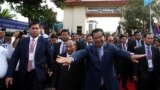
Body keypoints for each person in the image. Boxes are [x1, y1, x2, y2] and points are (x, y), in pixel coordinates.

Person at [56, 28, 145, 90]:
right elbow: (80, 53)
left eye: (100, 37)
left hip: (109, 83)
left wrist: (130, 55)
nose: (98, 40)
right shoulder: (89, 48)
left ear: (104, 37)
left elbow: (121, 52)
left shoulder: (111, 47)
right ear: (93, 39)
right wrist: (71, 58)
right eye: (95, 38)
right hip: (93, 84)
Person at [5, 22, 55, 90]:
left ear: (40, 29)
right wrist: (9, 75)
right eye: (33, 28)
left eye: (37, 28)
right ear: (29, 29)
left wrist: (51, 69)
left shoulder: (45, 42)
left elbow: (50, 57)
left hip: (37, 74)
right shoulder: (22, 41)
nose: (35, 30)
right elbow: (14, 58)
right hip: (23, 74)